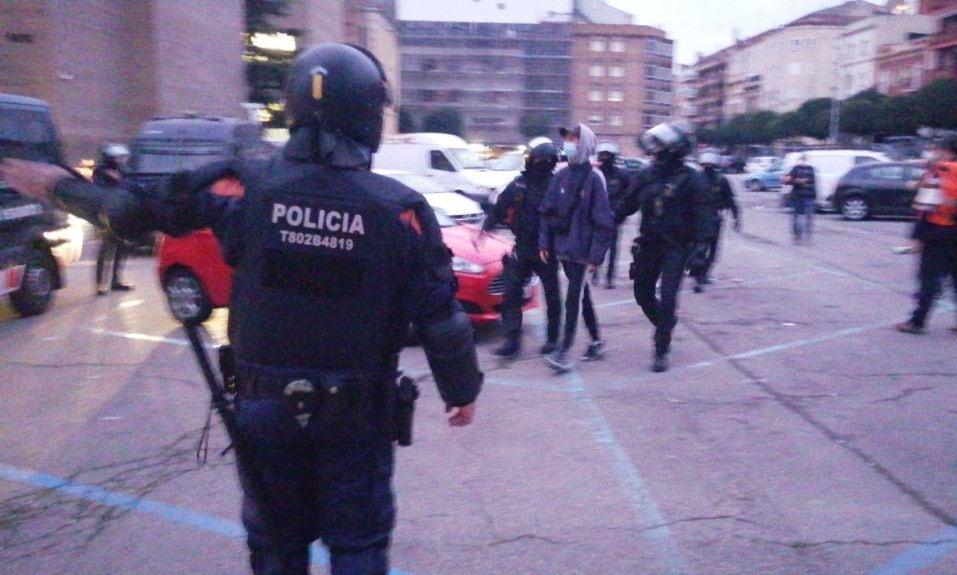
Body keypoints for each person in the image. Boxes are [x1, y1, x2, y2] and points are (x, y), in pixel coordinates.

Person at [1, 43, 482, 574]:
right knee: (359, 547)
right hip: (356, 416)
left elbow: (130, 213)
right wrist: (461, 392)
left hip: (266, 408)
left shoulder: (239, 186)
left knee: (277, 549)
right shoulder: (401, 211)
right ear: (367, 115)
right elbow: (442, 320)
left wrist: (56, 184)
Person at [616, 123, 717, 372]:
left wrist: (701, 249)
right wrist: (604, 220)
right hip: (649, 244)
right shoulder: (646, 174)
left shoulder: (693, 179)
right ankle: (666, 322)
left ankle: (661, 347)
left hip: (677, 247)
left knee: (669, 298)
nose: (655, 150)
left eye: (660, 145)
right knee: (642, 293)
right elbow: (627, 205)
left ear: (674, 149)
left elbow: (705, 216)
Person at [538, 123, 614, 371]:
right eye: (567, 138)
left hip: (582, 251)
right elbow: (546, 212)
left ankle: (563, 351)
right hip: (563, 248)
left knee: (573, 298)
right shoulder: (560, 176)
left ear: (585, 145)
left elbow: (604, 222)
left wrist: (596, 255)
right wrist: (544, 242)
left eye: (573, 139)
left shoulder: (594, 178)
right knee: (582, 296)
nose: (567, 143)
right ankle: (597, 341)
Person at [478, 137, 562, 359]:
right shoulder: (519, 185)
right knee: (511, 293)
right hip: (523, 246)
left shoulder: (557, 186)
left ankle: (553, 340)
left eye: (544, 160)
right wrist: (487, 225)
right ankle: (511, 341)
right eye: (537, 159)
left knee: (552, 296)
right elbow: (500, 207)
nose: (539, 163)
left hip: (547, 250)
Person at [895, 135, 957, 337]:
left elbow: (925, 203)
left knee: (929, 276)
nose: (935, 152)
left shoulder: (938, 170)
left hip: (937, 228)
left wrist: (917, 235)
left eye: (938, 149)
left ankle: (917, 322)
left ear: (948, 151)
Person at [691, 148, 741, 292]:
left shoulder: (721, 180)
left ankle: (702, 275)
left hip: (712, 218)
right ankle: (698, 277)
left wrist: (737, 217)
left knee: (710, 250)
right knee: (700, 249)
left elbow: (730, 200)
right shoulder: (695, 178)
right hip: (700, 218)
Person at [92, 143, 134, 295]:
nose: (120, 161)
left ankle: (116, 280)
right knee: (106, 249)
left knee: (122, 247)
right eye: (117, 158)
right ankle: (100, 284)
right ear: (109, 158)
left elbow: (129, 186)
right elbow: (101, 191)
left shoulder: (122, 171)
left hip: (122, 213)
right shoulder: (100, 172)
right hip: (105, 214)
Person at [594, 141, 632, 289]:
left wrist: (620, 212)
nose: (604, 158)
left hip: (614, 217)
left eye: (607, 155)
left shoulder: (622, 175)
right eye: (602, 155)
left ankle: (610, 278)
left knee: (613, 249)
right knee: (596, 246)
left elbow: (628, 196)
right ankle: (595, 272)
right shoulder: (595, 174)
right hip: (596, 217)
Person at [782, 154, 816, 244]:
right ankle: (800, 237)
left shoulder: (809, 169)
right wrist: (795, 181)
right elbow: (787, 180)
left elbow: (813, 182)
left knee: (804, 217)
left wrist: (795, 181)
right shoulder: (796, 169)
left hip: (806, 196)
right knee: (801, 217)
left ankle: (803, 237)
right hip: (799, 196)